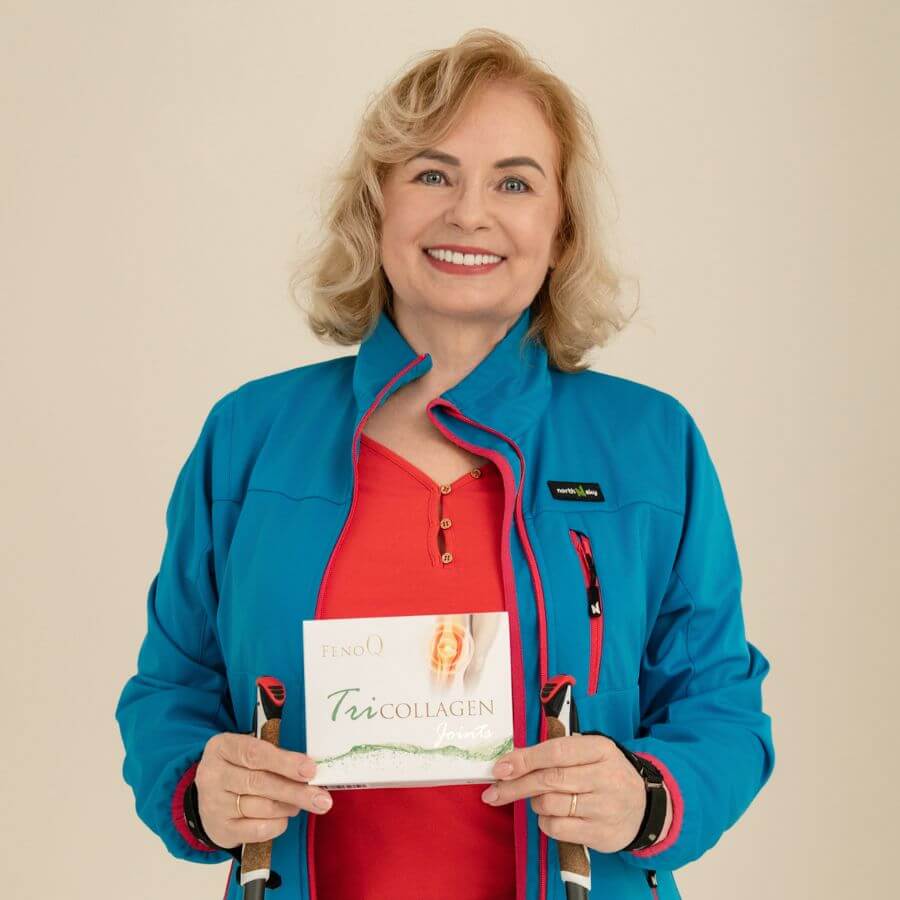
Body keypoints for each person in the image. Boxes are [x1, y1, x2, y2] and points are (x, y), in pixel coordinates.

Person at [115, 28, 775, 900]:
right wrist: (200, 790)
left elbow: (721, 707)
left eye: (515, 182)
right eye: (432, 175)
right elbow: (171, 690)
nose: (470, 212)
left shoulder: (652, 442)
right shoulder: (250, 434)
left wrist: (647, 798)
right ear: (377, 206)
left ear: (560, 229)